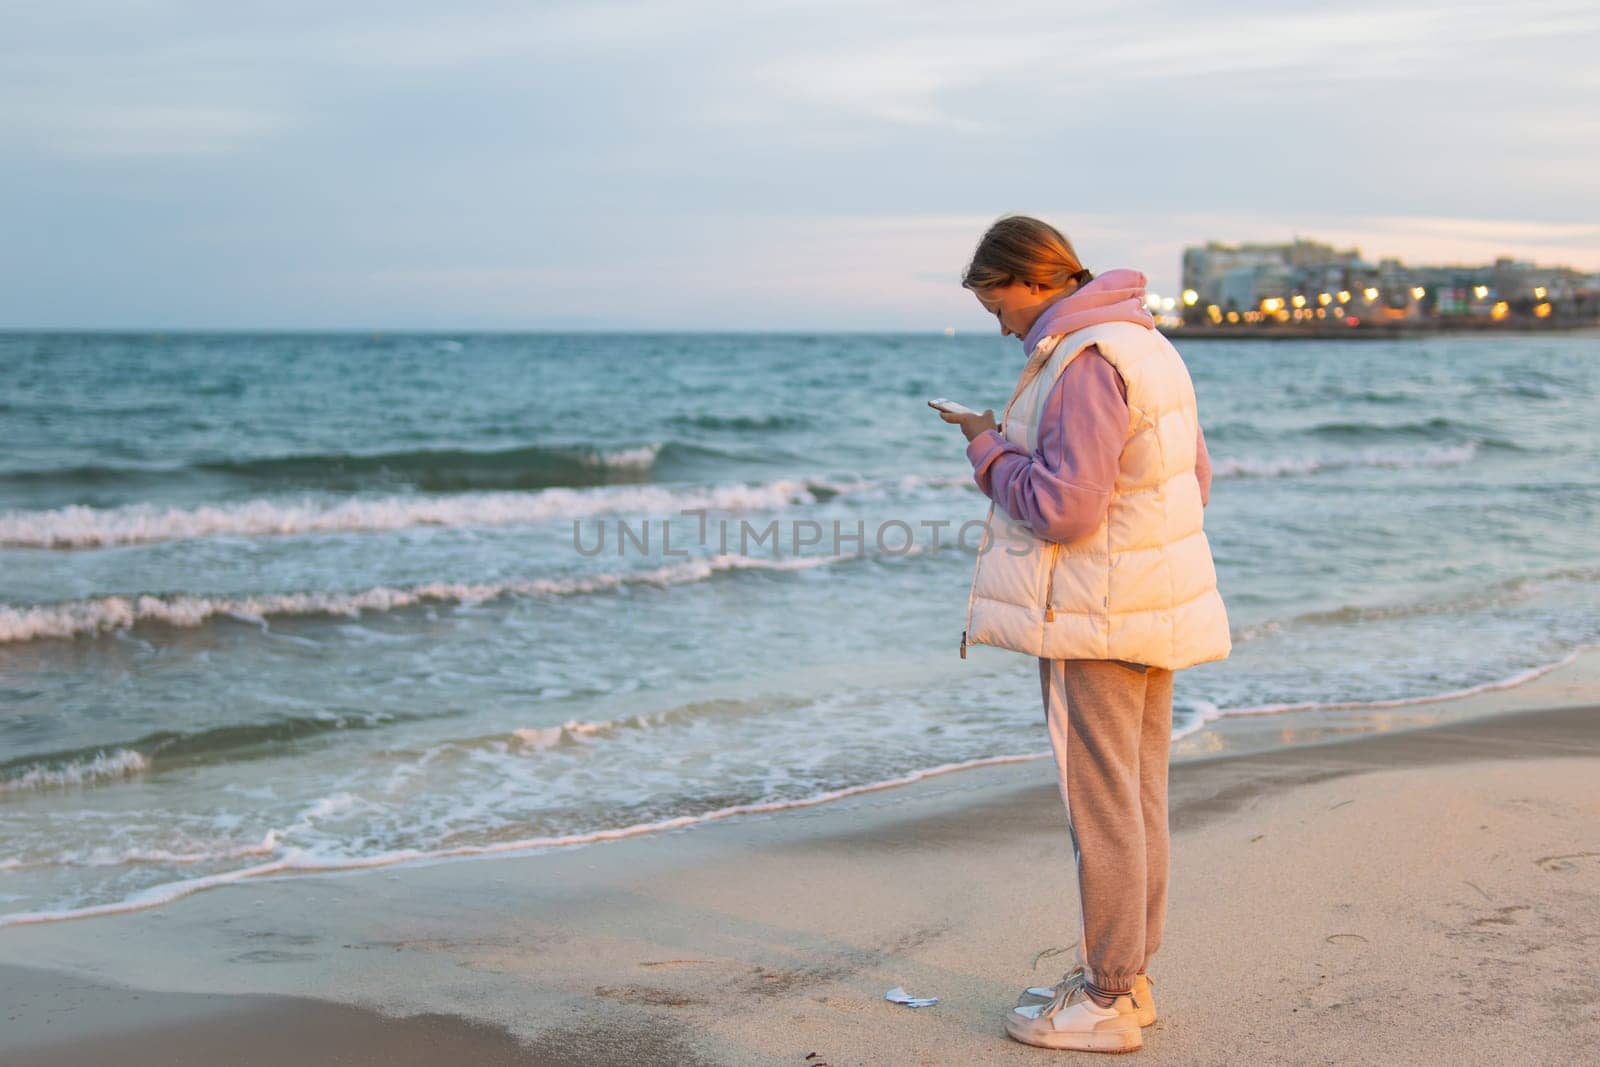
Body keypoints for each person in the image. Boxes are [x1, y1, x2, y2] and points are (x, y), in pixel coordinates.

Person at [936, 215, 1232, 1054]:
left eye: (997, 302)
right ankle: (1126, 979)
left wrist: (985, 445)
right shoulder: (1147, 345)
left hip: (1097, 619)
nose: (999, 322)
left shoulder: (1081, 358)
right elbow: (1193, 479)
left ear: (1034, 280)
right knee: (1136, 800)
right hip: (1152, 604)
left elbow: (1065, 509)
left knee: (1102, 808)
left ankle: (1106, 997)